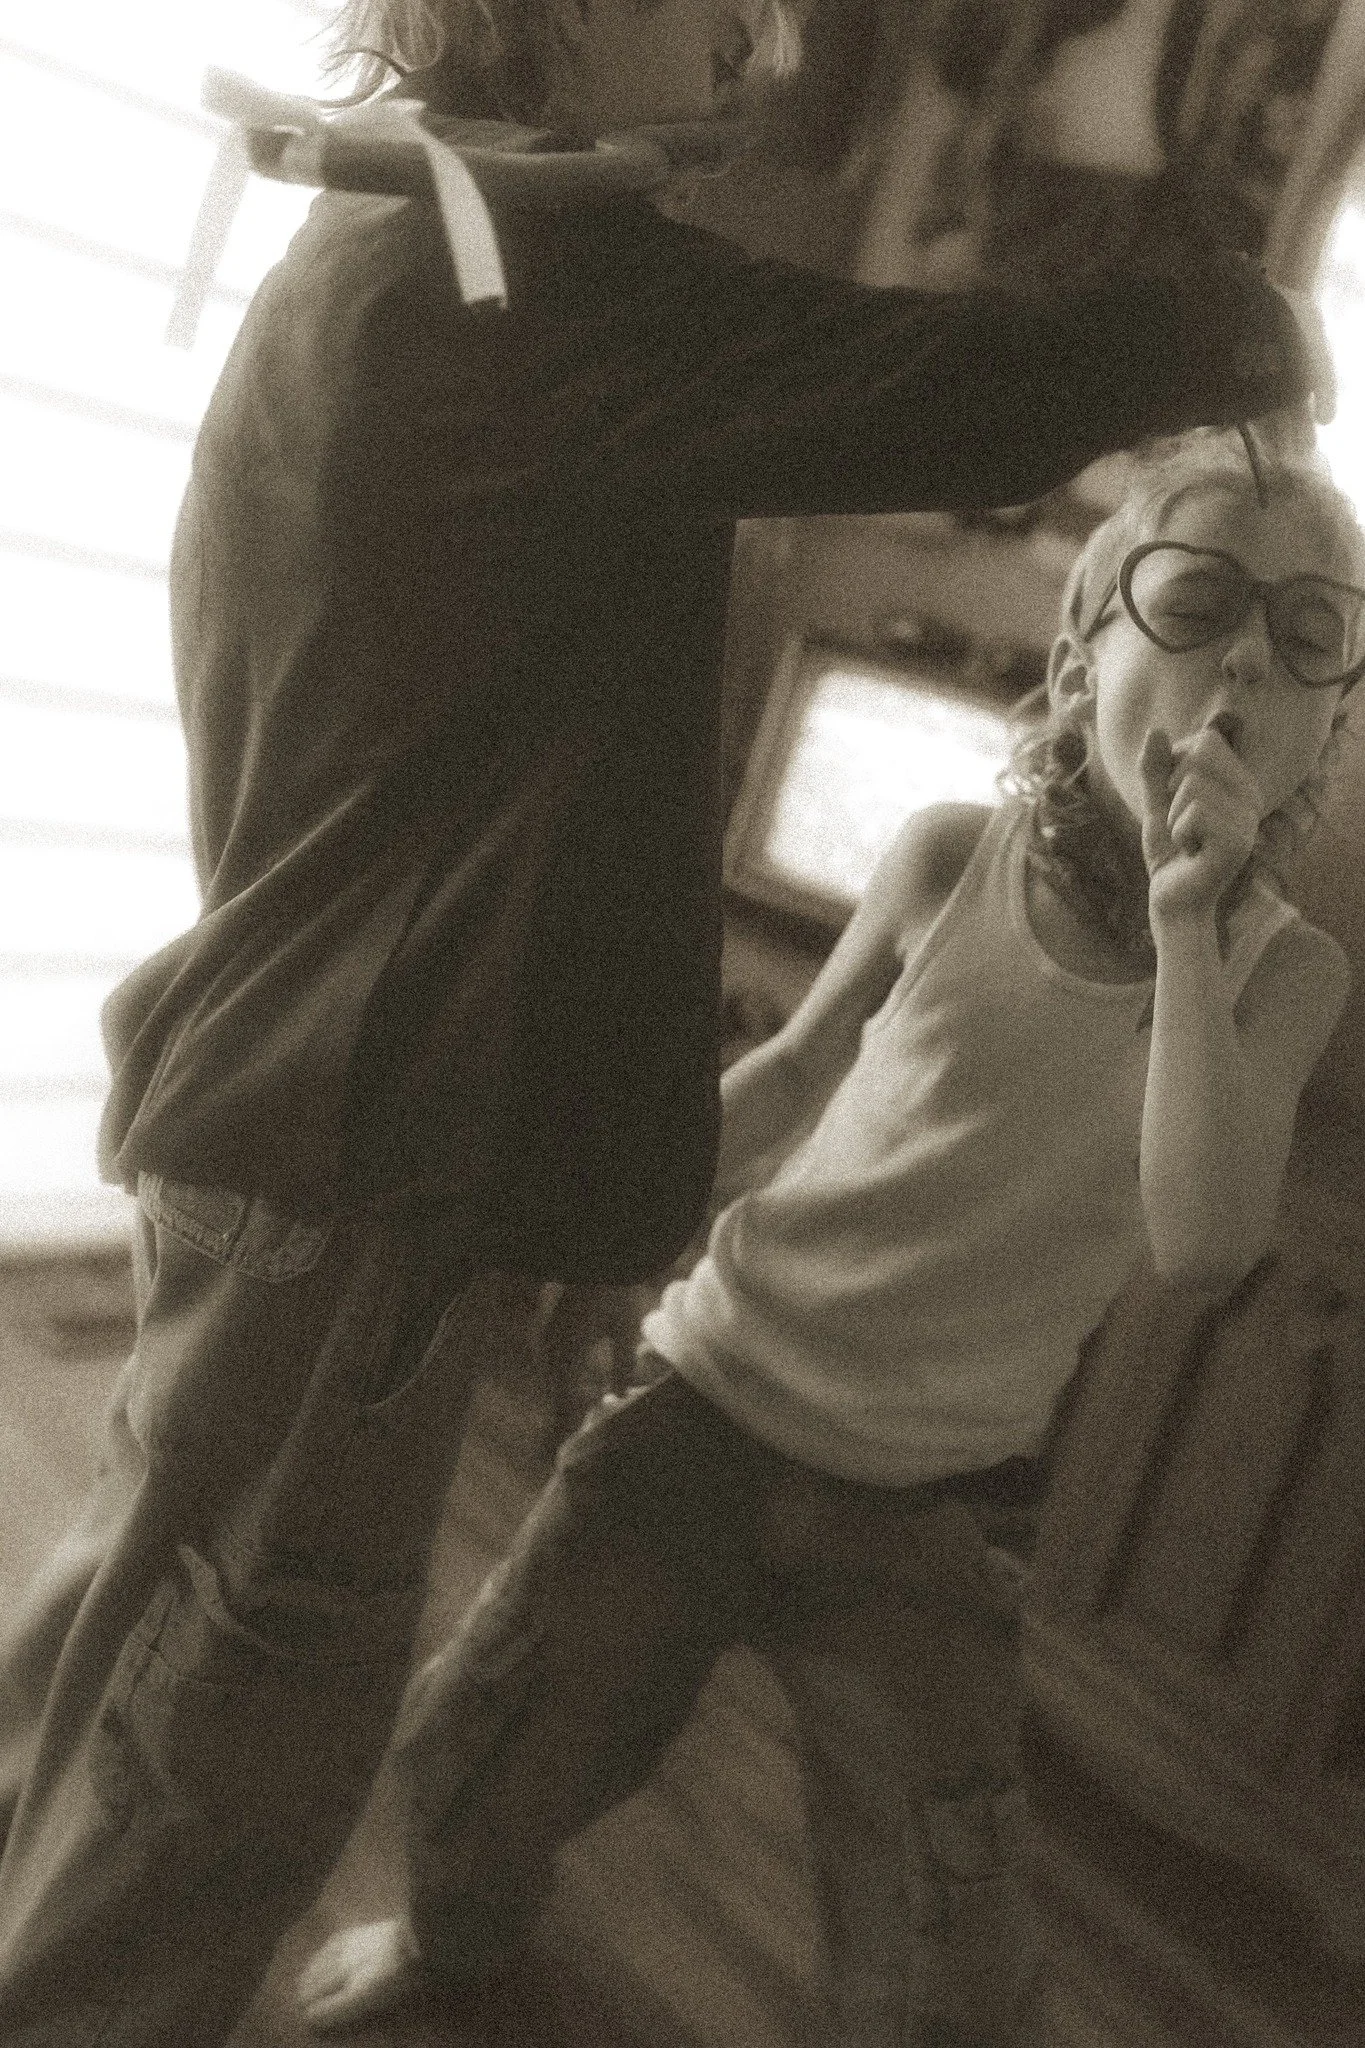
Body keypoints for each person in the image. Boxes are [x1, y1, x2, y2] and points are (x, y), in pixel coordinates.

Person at [0, 0, 1333, 2034]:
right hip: (350, 1151)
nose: (764, 41)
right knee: (227, 1734)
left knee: (138, 1613)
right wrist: (1235, 329)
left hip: (274, 1099)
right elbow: (938, 391)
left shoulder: (384, 251)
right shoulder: (503, 290)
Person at [298, 420, 1361, 2043]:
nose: (1248, 663)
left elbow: (1206, 1239)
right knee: (495, 1740)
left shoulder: (1283, 976)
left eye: (1312, 634)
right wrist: (602, 1222)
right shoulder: (948, 856)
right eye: (1200, 600)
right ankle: (452, 1943)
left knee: (946, 1915)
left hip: (935, 1506)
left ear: (1331, 725)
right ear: (1086, 643)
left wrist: (1185, 923)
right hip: (712, 1398)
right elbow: (797, 1071)